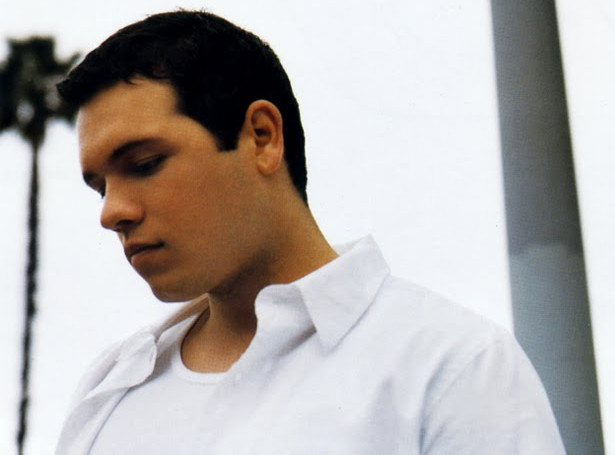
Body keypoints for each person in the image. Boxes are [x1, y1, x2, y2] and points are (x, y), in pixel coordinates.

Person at [54, 10, 564, 455]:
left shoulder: (450, 368)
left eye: (144, 164)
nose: (112, 212)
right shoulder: (109, 391)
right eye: (100, 188)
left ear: (262, 137)